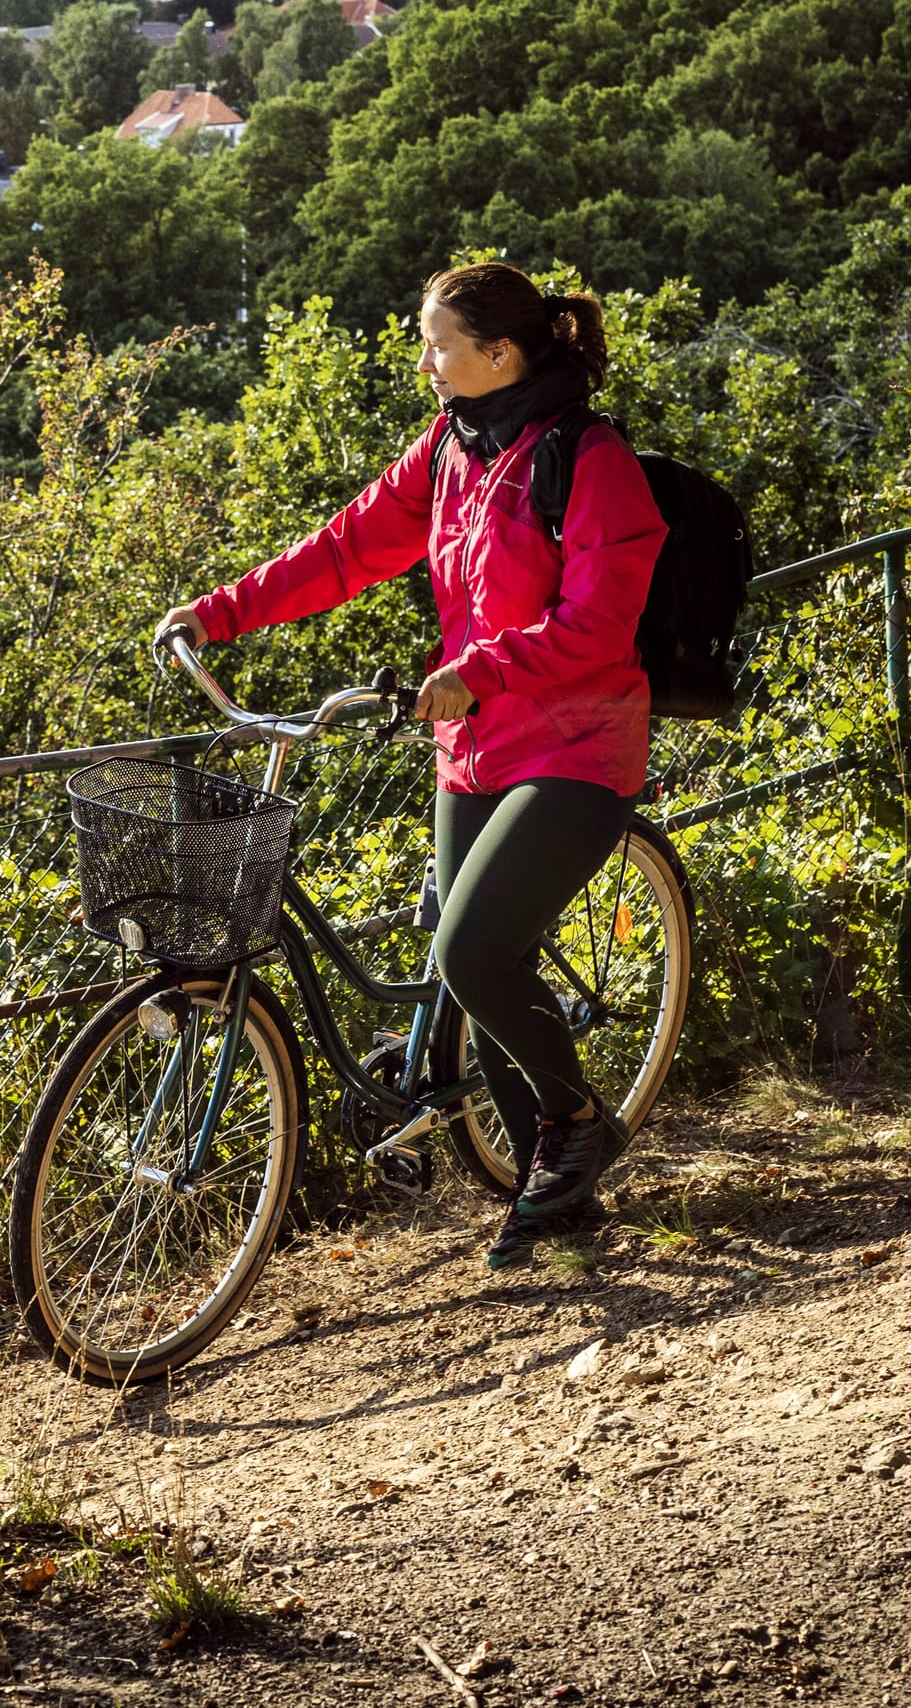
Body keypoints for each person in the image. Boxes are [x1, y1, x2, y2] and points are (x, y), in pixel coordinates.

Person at [156, 261, 663, 1255]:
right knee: (477, 962)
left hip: (575, 745)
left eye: (439, 343)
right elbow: (343, 549)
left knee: (470, 948)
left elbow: (600, 623)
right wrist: (219, 613)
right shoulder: (450, 448)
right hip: (474, 745)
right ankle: (560, 1200)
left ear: (500, 352)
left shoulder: (589, 460)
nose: (425, 361)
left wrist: (484, 667)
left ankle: (574, 1124)